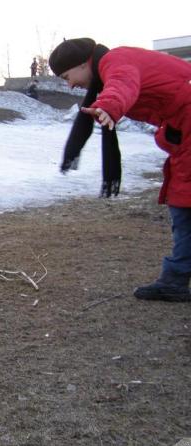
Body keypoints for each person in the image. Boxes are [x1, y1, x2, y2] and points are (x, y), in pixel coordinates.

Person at [49, 37, 191, 302]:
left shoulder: (116, 61)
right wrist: (169, 132)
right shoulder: (113, 64)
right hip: (183, 127)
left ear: (83, 64)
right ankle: (175, 278)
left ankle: (175, 281)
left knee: (184, 205)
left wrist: (109, 106)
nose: (70, 84)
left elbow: (123, 84)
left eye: (68, 76)